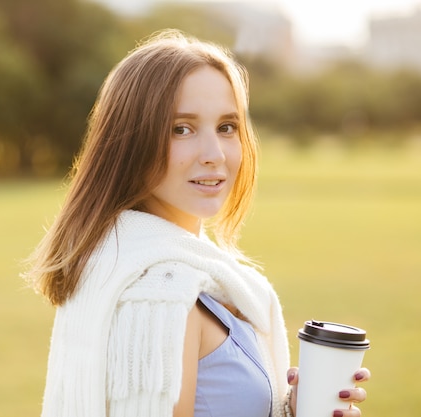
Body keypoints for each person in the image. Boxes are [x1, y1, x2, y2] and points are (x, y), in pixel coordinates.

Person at [24, 29, 370, 417]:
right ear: (130, 142)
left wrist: (291, 410)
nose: (214, 154)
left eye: (227, 127)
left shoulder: (187, 275)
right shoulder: (159, 295)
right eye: (181, 129)